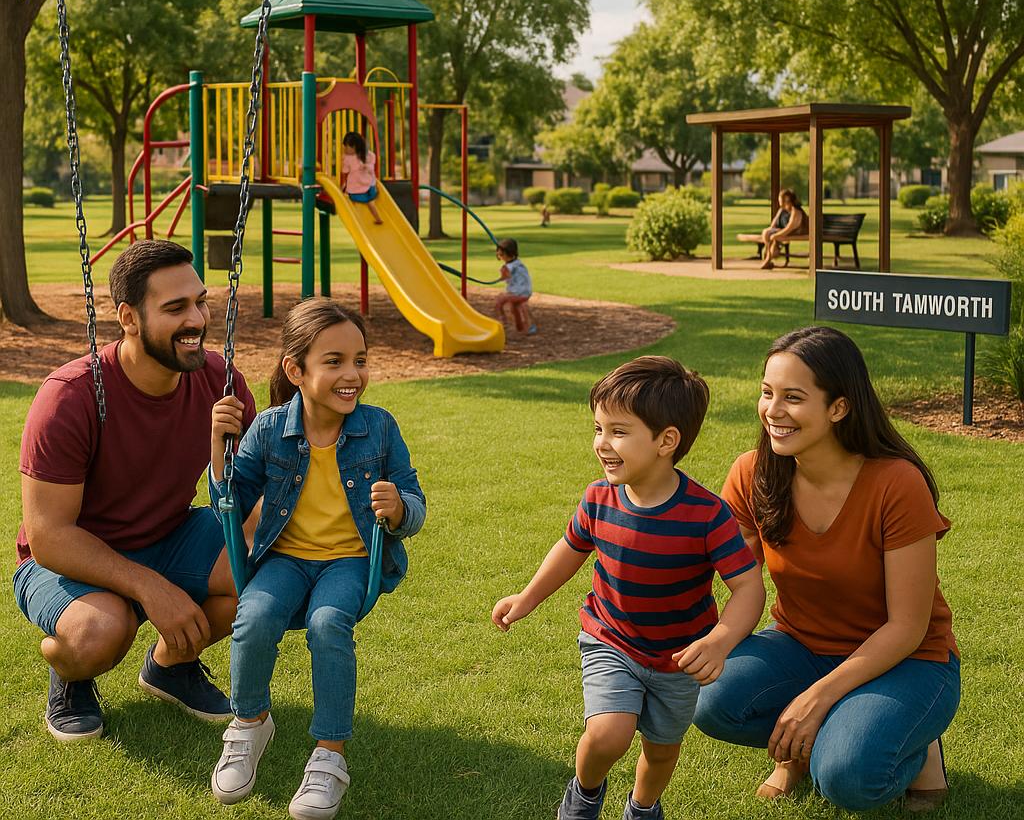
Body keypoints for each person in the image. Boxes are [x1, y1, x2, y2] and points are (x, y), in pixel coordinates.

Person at [693, 326, 959, 813]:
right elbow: (742, 587)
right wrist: (712, 641)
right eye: (767, 392)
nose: (773, 410)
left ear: (838, 407)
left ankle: (919, 750)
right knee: (711, 701)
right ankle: (806, 745)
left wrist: (816, 699)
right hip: (800, 645)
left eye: (793, 398)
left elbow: (908, 626)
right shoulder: (752, 474)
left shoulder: (896, 484)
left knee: (846, 778)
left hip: (910, 660)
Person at [492, 356, 765, 820]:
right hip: (611, 639)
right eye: (598, 428)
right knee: (609, 734)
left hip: (680, 660)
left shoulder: (707, 514)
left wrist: (719, 642)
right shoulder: (599, 497)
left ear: (667, 441)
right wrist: (528, 596)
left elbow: (749, 589)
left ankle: (642, 808)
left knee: (661, 752)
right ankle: (584, 793)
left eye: (618, 431)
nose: (602, 443)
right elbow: (570, 549)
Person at [14, 239, 257, 742]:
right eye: (175, 309)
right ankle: (71, 674)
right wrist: (150, 587)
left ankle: (171, 666)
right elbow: (50, 538)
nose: (197, 320)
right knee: (99, 633)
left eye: (200, 301)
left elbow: (249, 499)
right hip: (69, 559)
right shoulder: (70, 397)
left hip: (169, 535)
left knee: (260, 566)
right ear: (128, 317)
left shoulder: (221, 381)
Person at [208, 298, 426, 820]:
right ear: (295, 370)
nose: (353, 374)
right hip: (286, 557)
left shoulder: (379, 428)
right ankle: (249, 723)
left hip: (350, 561)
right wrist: (219, 450)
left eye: (360, 360)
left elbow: (416, 504)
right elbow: (229, 503)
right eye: (334, 362)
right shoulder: (267, 429)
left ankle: (329, 757)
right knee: (254, 616)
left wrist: (398, 511)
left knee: (330, 623)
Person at [494, 237, 537, 335]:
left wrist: (502, 275)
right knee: (514, 307)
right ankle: (522, 327)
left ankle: (503, 324)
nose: (499, 257)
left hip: (519, 292)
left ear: (509, 253)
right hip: (524, 291)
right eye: (498, 254)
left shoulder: (509, 266)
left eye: (501, 254)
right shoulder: (517, 262)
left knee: (499, 301)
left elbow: (506, 275)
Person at [340, 131, 383, 224]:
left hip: (358, 186)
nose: (345, 149)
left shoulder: (349, 158)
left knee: (352, 200)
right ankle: (378, 219)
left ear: (354, 147)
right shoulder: (368, 155)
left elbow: (345, 171)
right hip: (369, 186)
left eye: (347, 146)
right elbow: (371, 168)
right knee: (370, 203)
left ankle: (357, 220)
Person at [758, 189, 807, 269]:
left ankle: (768, 257)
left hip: (795, 232)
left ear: (787, 199)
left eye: (781, 198)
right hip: (784, 232)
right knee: (766, 232)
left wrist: (775, 236)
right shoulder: (782, 210)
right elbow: (773, 225)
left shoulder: (796, 212)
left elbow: (789, 229)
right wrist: (773, 234)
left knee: (770, 235)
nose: (779, 200)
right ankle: (768, 253)